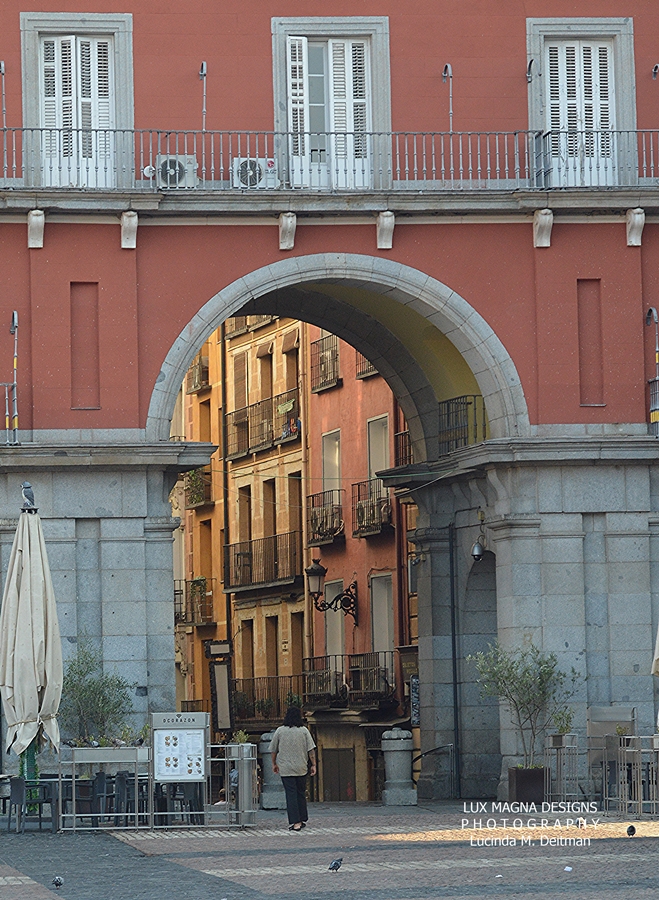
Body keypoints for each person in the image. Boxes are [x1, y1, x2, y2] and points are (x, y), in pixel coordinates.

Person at [270, 706, 316, 831]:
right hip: (301, 767)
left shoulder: (280, 731)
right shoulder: (304, 731)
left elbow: (273, 750)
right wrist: (313, 764)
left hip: (286, 768)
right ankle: (302, 818)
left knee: (291, 794)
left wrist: (274, 763)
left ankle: (296, 822)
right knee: (301, 793)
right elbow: (311, 750)